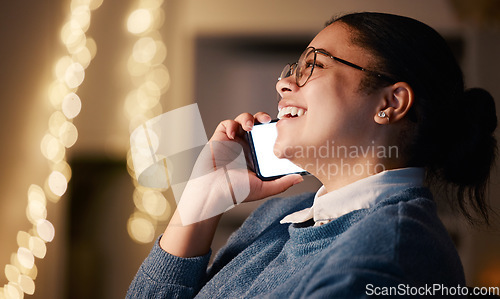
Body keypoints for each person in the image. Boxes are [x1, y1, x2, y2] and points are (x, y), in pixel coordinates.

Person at [127, 12, 497, 298]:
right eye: (293, 69)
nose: (283, 83)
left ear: (390, 102)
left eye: (314, 66)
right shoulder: (280, 216)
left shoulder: (390, 255)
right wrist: (202, 198)